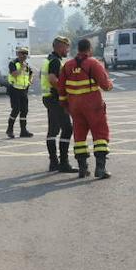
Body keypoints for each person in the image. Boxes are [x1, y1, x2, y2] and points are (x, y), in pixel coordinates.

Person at [59, 38, 114, 179]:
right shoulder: (93, 63)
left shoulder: (67, 65)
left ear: (78, 49)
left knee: (79, 135)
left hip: (75, 106)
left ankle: (83, 169)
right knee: (100, 134)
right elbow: (105, 85)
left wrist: (66, 106)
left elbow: (61, 89)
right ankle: (100, 169)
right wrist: (110, 84)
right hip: (92, 104)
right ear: (89, 49)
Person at [42, 36, 79, 173]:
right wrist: (64, 92)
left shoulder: (48, 59)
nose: (68, 50)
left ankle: (53, 162)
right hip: (55, 99)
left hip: (48, 98)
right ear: (60, 47)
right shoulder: (55, 61)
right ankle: (63, 163)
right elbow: (52, 79)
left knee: (53, 130)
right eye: (66, 47)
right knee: (67, 129)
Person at [6, 47, 34, 138]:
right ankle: (9, 129)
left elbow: (31, 73)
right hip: (14, 89)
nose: (24, 55)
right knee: (15, 110)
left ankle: (23, 130)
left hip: (23, 90)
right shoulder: (13, 63)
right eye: (22, 53)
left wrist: (29, 82)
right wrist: (22, 68)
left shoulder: (27, 65)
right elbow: (14, 74)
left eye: (26, 53)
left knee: (24, 110)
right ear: (18, 54)